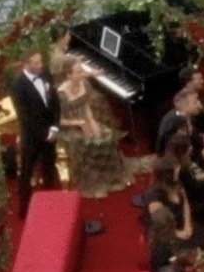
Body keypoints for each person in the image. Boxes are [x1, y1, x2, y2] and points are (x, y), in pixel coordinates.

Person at [55, 54, 128, 197]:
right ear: (69, 75)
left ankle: (107, 178)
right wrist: (80, 123)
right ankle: (93, 182)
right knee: (83, 142)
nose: (82, 74)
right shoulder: (61, 94)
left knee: (105, 136)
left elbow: (86, 107)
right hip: (68, 126)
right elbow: (58, 120)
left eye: (81, 71)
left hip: (85, 119)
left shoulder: (85, 84)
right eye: (78, 72)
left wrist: (92, 122)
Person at [10, 50, 60, 215]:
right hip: (32, 138)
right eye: (36, 63)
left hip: (50, 134)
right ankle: (24, 210)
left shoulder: (45, 74)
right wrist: (44, 134)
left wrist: (54, 127)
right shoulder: (18, 86)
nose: (40, 65)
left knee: (49, 169)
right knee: (27, 172)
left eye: (40, 62)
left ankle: (51, 205)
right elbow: (25, 116)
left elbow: (54, 102)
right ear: (26, 65)